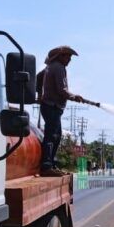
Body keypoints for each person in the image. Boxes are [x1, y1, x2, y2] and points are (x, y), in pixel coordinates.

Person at [37, 46, 86, 177]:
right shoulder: (58, 67)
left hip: (49, 106)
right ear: (59, 56)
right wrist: (74, 96)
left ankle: (51, 164)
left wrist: (39, 95)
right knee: (52, 135)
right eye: (67, 56)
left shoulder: (49, 67)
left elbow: (37, 79)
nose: (69, 59)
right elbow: (61, 90)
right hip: (51, 106)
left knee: (56, 135)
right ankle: (47, 166)